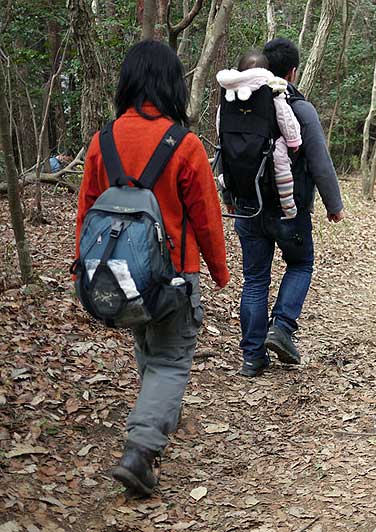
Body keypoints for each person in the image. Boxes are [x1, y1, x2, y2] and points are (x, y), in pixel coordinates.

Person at [75, 40, 229, 497]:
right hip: (174, 275)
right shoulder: (185, 145)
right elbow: (206, 216)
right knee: (169, 359)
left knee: (148, 346)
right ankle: (141, 450)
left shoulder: (102, 141)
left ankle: (158, 415)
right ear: (170, 85)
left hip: (114, 275)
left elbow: (87, 212)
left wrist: (80, 270)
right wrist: (219, 271)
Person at [226, 37, 344, 377]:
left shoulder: (237, 103)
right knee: (301, 264)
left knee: (254, 280)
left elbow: (228, 156)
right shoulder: (299, 108)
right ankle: (282, 327)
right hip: (289, 209)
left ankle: (252, 358)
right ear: (292, 72)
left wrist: (230, 198)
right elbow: (320, 161)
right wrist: (333, 205)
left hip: (248, 207)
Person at [216, 50, 302, 219]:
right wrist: (293, 141)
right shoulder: (273, 92)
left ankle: (228, 192)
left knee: (225, 158)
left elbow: (221, 125)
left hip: (233, 152)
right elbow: (286, 120)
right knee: (281, 161)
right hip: (264, 154)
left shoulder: (227, 95)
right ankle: (288, 207)